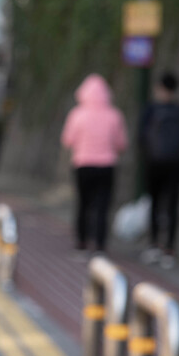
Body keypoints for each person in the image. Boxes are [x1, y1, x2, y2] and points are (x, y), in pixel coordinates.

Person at [60, 73, 129, 254]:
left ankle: (82, 240)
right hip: (107, 166)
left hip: (82, 164)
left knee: (83, 203)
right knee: (103, 205)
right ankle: (99, 243)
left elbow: (67, 140)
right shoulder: (114, 115)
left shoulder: (77, 114)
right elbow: (122, 143)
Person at [138, 72, 179, 269]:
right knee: (172, 206)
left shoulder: (151, 110)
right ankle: (170, 249)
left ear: (160, 88)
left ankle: (154, 244)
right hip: (176, 167)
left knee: (155, 204)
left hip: (154, 165)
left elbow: (141, 138)